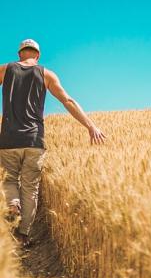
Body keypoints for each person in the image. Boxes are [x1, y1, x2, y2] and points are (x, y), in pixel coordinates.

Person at [0, 39, 106, 247]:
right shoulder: (46, 74)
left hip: (9, 138)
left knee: (9, 180)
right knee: (30, 188)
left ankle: (13, 204)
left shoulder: (5, 70)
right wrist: (91, 126)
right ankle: (22, 235)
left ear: (20, 53)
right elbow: (68, 100)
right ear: (37, 55)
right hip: (35, 140)